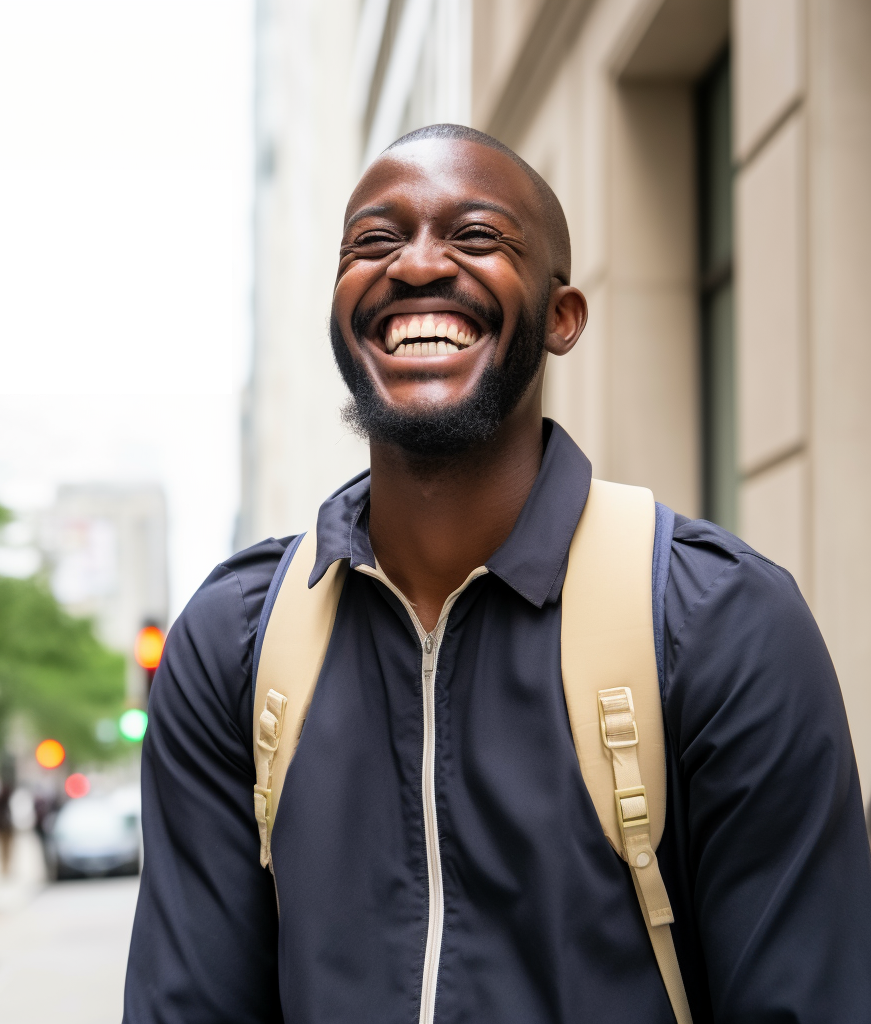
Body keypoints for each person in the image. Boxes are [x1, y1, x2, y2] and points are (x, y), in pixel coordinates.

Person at [123, 125, 871, 1023]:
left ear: (561, 317)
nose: (416, 265)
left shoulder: (722, 622)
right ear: (339, 308)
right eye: (374, 240)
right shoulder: (231, 645)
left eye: (477, 236)